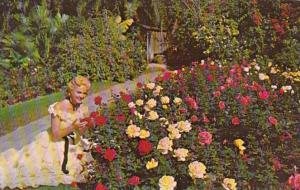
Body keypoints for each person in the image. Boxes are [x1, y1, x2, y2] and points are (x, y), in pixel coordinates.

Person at [0, 76, 94, 189]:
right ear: (70, 91)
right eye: (79, 92)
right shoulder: (59, 107)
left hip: (73, 143)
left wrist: (82, 127)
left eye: (84, 93)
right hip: (56, 144)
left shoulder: (82, 107)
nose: (81, 96)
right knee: (34, 166)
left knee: (83, 166)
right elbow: (55, 135)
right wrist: (73, 127)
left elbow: (81, 131)